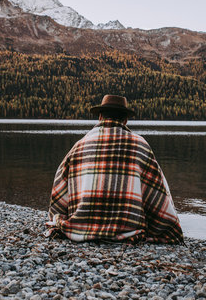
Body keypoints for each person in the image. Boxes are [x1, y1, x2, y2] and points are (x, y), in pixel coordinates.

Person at [46, 95, 184, 243]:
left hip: (80, 228)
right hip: (127, 230)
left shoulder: (79, 145)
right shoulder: (140, 145)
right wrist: (169, 227)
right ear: (125, 120)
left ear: (100, 117)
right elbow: (158, 190)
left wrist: (58, 215)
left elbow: (59, 185)